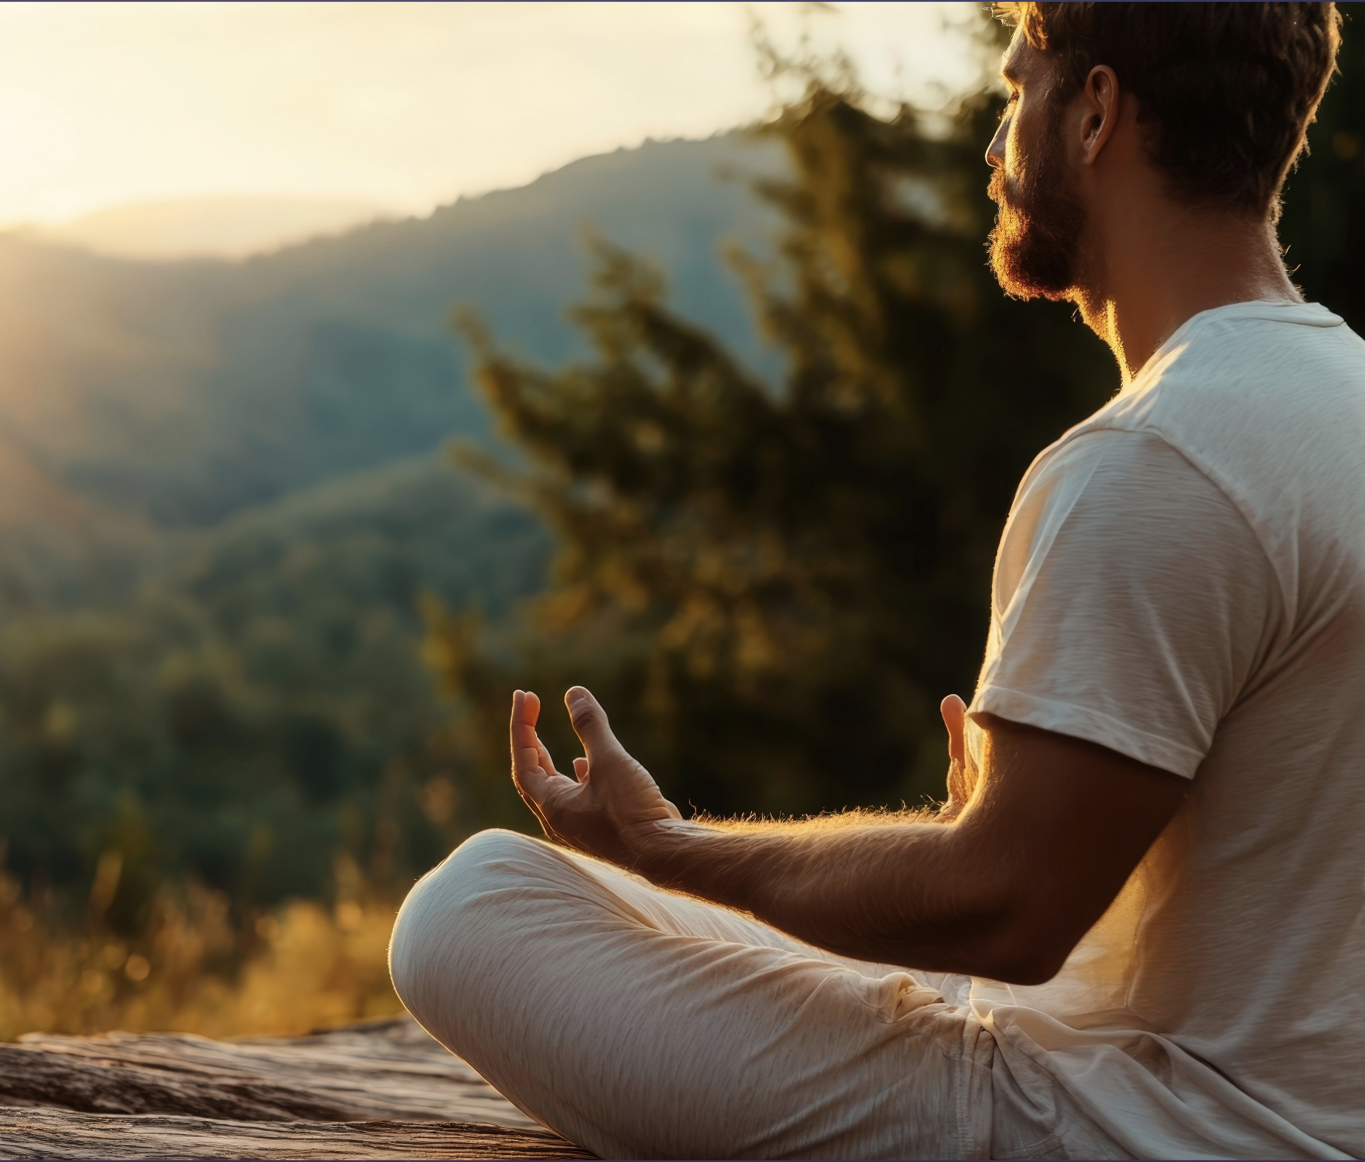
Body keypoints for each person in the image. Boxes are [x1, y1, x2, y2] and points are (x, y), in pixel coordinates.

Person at [387, 4, 1362, 1158]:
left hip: (1145, 1120)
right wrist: (1004, 829)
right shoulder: (1338, 387)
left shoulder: (1158, 456)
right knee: (630, 899)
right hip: (1259, 1079)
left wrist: (663, 844)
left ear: (1096, 112)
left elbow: (1007, 907)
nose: (995, 150)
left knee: (473, 907)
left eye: (1018, 94)